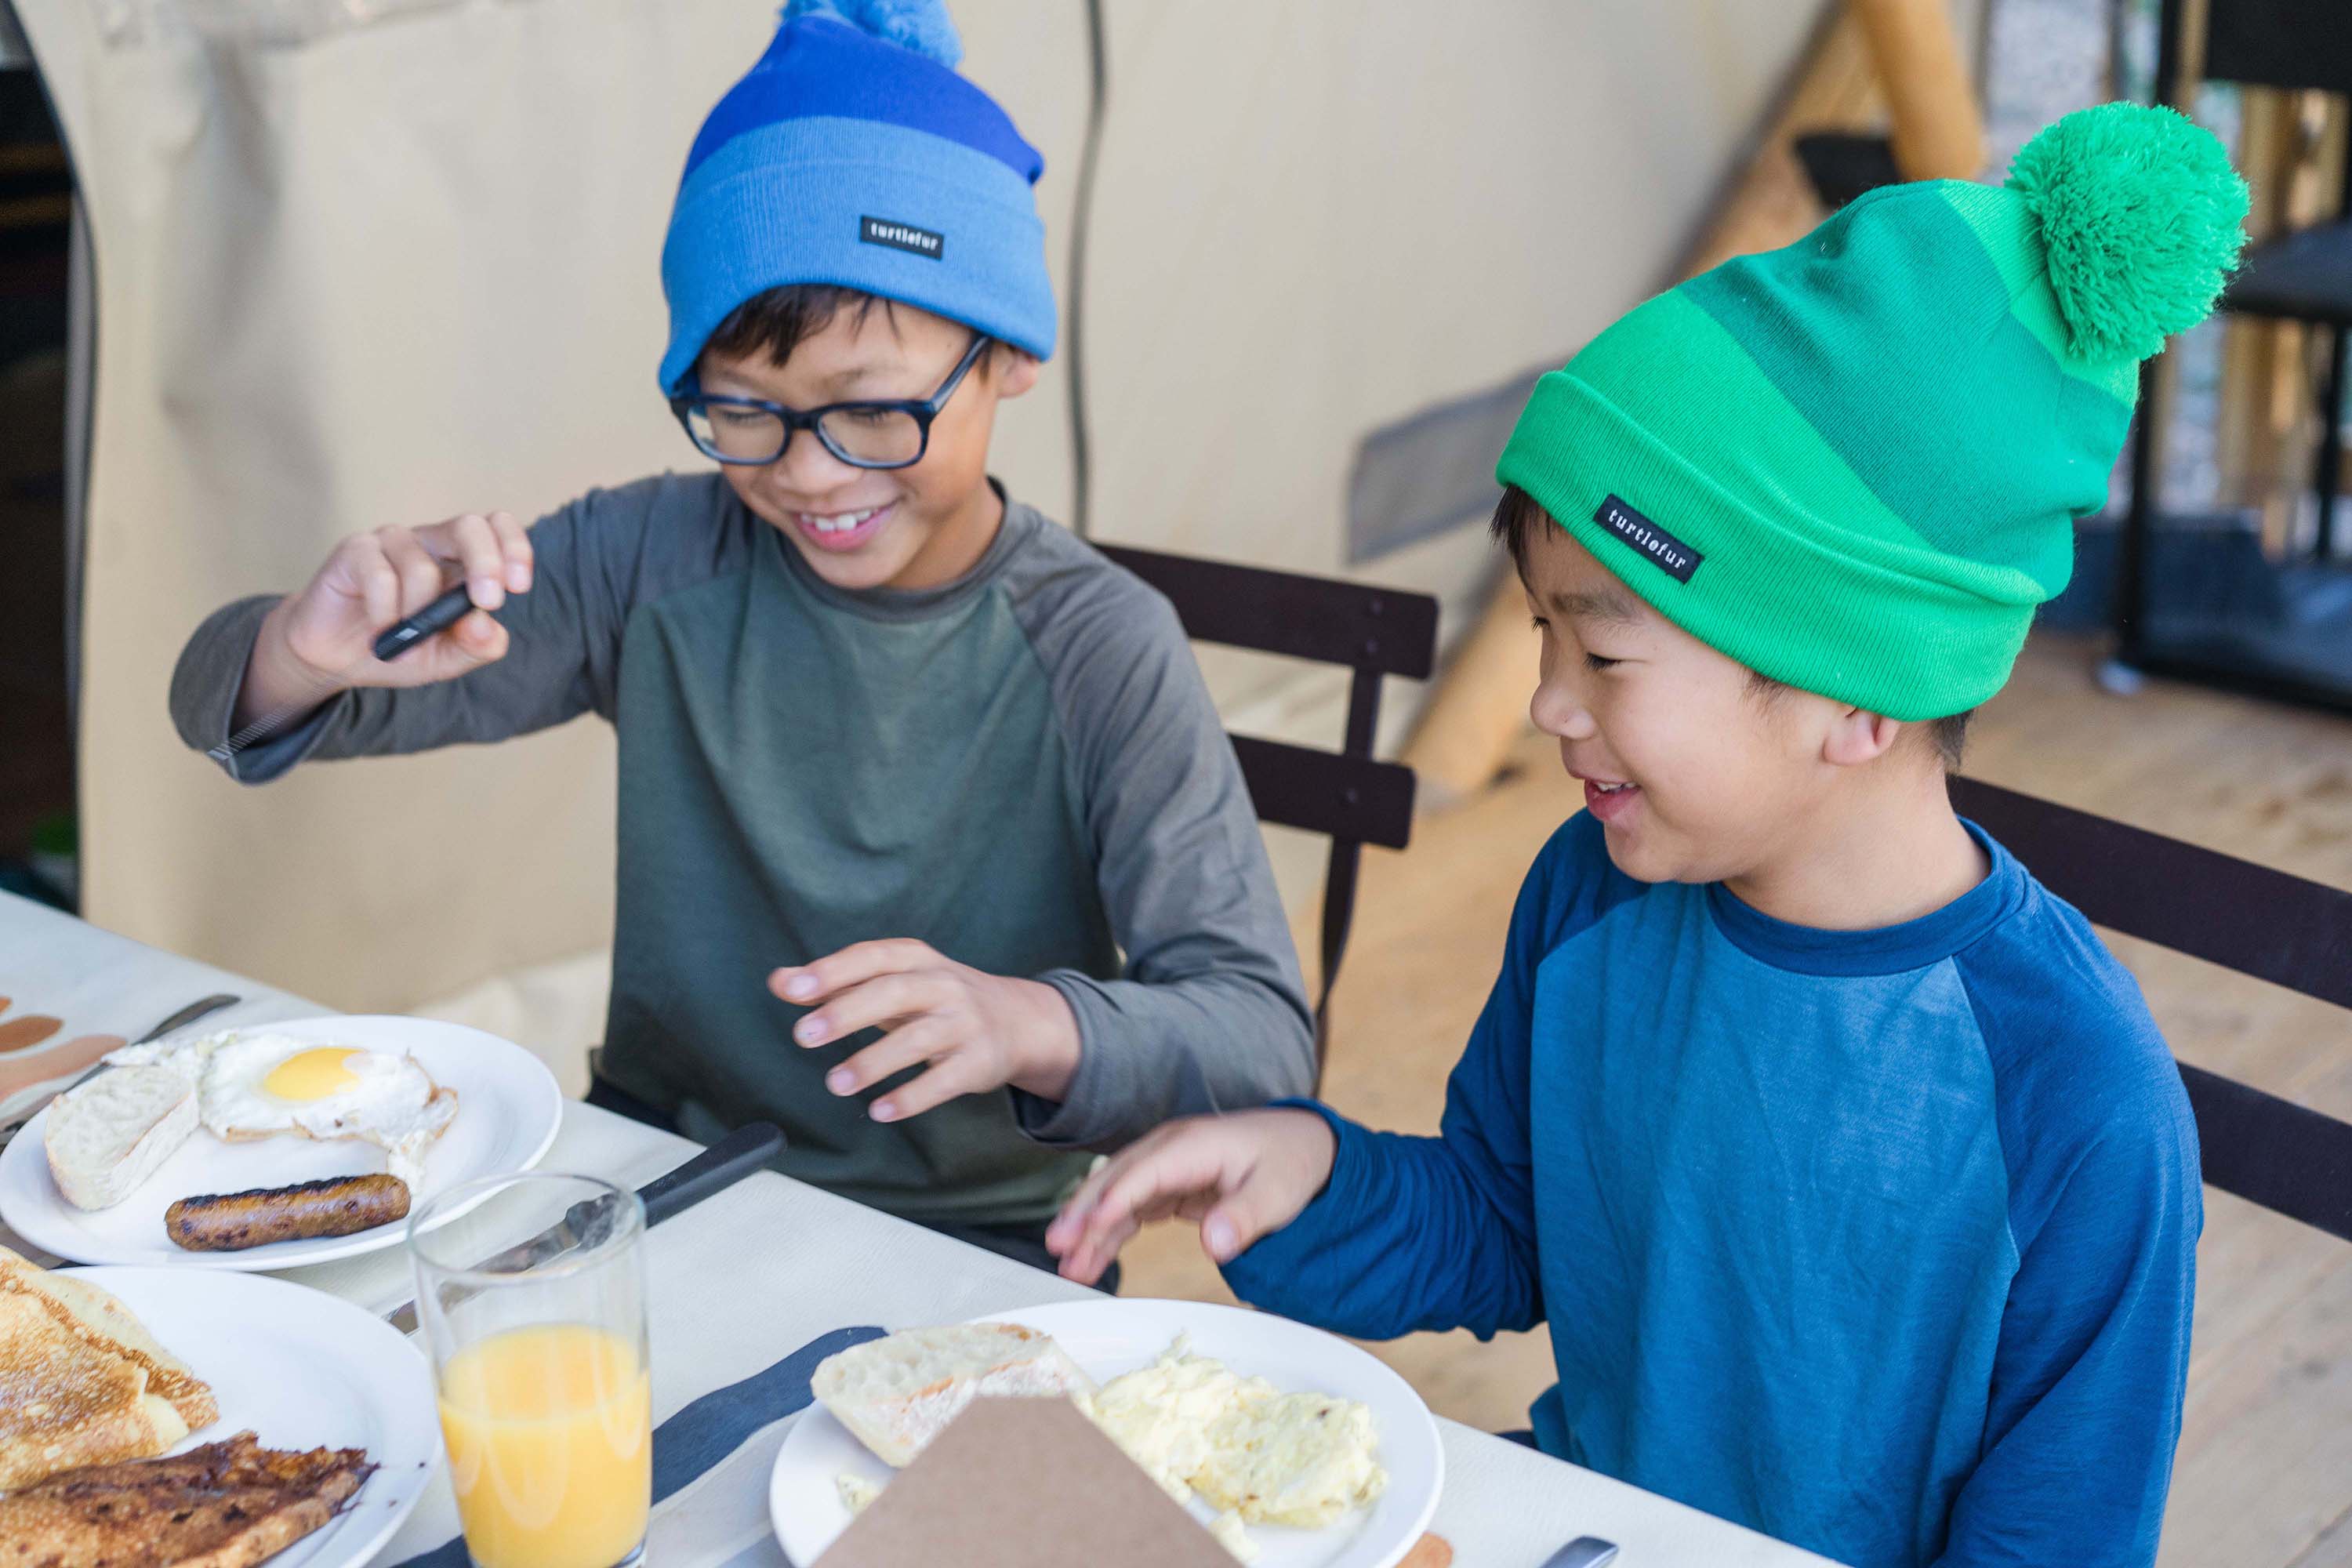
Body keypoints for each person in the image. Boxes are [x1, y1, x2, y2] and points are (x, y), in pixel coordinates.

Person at [1047, 102, 2247, 1566]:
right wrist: (1308, 1170)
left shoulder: (2080, 1101)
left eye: (1603, 656)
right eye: (1544, 633)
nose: (1547, 704)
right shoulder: (1591, 897)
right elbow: (1503, 1222)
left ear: (1861, 695)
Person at [169, 0, 1313, 1275]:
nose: (812, 476)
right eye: (743, 411)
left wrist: (1029, 1021)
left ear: (1008, 360)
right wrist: (300, 651)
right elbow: (224, 698)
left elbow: (1259, 1035)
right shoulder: (651, 557)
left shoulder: (1100, 645)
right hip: (657, 1180)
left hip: (972, 1241)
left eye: (872, 413)